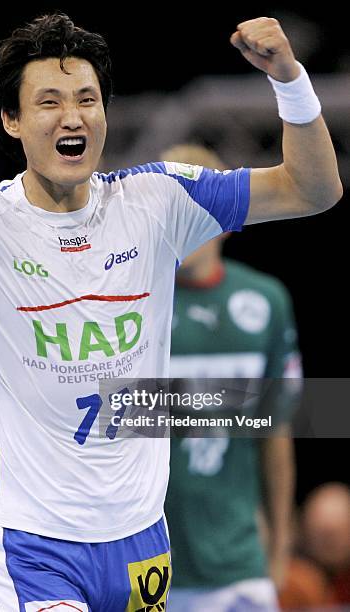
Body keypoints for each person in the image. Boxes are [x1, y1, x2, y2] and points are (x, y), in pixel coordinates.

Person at [0, 12, 342, 612]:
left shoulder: (158, 201)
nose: (73, 115)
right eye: (49, 101)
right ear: (11, 121)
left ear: (105, 116)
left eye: (88, 99)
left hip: (141, 542)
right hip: (29, 546)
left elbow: (314, 189)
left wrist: (288, 78)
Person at [161, 144, 301, 612]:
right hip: (144, 566)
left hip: (239, 568)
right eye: (174, 202)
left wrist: (280, 549)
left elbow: (277, 430)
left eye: (200, 200)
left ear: (225, 211)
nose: (189, 217)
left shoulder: (265, 302)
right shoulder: (125, 310)